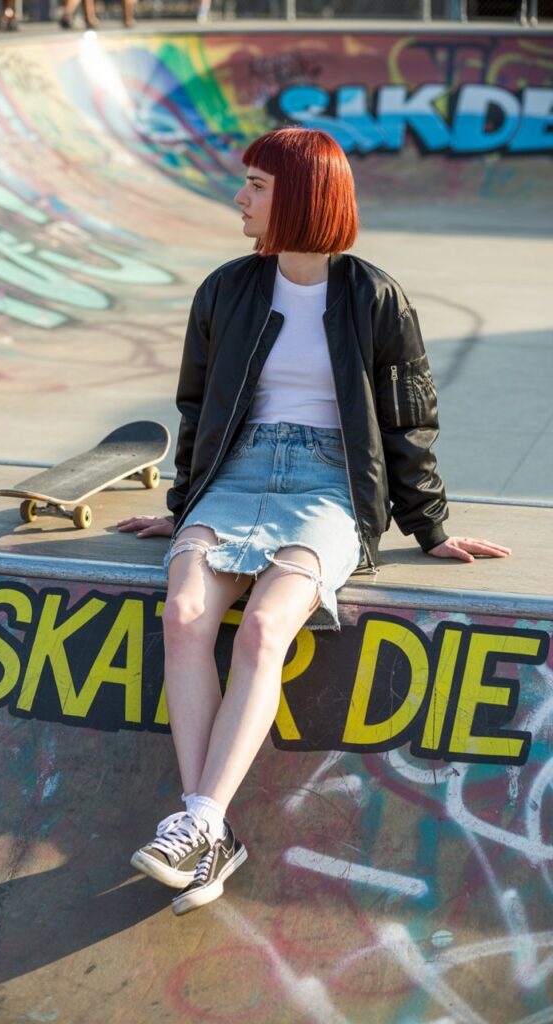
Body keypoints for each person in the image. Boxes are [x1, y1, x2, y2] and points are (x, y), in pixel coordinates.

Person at [118, 127, 510, 916]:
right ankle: (206, 827)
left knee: (266, 628)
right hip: (237, 475)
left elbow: (408, 422)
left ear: (299, 196)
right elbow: (199, 409)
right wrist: (182, 506)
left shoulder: (374, 298)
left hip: (331, 481)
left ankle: (198, 824)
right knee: (186, 610)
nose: (240, 197)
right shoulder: (225, 290)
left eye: (256, 186)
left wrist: (428, 526)